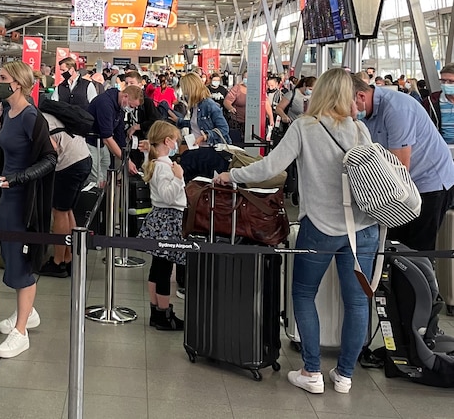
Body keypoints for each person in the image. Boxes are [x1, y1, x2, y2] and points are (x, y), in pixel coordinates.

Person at [213, 68, 379, 395]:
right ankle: (345, 375)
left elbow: (271, 167)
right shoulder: (360, 129)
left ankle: (312, 371)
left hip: (320, 227)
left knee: (304, 293)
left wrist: (231, 177)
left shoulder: (305, 127)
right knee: (358, 303)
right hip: (363, 228)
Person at [0, 61, 57, 359]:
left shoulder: (32, 117)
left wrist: (19, 178)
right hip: (7, 195)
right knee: (9, 254)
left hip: (26, 199)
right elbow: (10, 151)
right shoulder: (9, 113)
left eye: (3, 78)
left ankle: (21, 332)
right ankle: (27, 312)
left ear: (17, 84)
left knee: (22, 259)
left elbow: (49, 159)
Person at [353, 74, 454, 251]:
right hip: (404, 186)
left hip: (429, 183)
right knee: (395, 249)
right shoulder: (365, 114)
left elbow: (399, 168)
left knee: (416, 251)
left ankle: (421, 278)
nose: (349, 114)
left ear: (361, 96)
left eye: (347, 106)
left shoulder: (396, 108)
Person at [137, 120, 185, 331]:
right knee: (165, 268)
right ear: (168, 141)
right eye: (175, 139)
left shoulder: (154, 162)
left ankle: (156, 310)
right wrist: (178, 179)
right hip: (169, 218)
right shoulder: (166, 168)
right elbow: (167, 196)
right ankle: (164, 313)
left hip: (159, 218)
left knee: (158, 266)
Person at [39, 109, 92, 278]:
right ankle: (69, 258)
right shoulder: (47, 113)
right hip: (83, 157)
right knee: (67, 210)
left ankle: (58, 262)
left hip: (69, 163)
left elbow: (52, 147)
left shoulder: (36, 119)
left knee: (59, 212)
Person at [169, 73, 231, 182]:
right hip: (202, 150)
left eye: (185, 89)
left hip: (213, 150)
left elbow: (224, 129)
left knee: (187, 161)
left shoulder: (208, 105)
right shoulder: (195, 106)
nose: (184, 93)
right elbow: (196, 124)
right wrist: (179, 121)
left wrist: (205, 137)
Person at [85, 85, 144, 186]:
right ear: (125, 96)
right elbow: (107, 138)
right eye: (131, 106)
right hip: (91, 142)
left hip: (101, 144)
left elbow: (119, 133)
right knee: (95, 179)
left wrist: (126, 157)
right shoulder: (105, 104)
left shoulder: (118, 106)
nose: (130, 109)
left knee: (105, 177)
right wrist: (125, 160)